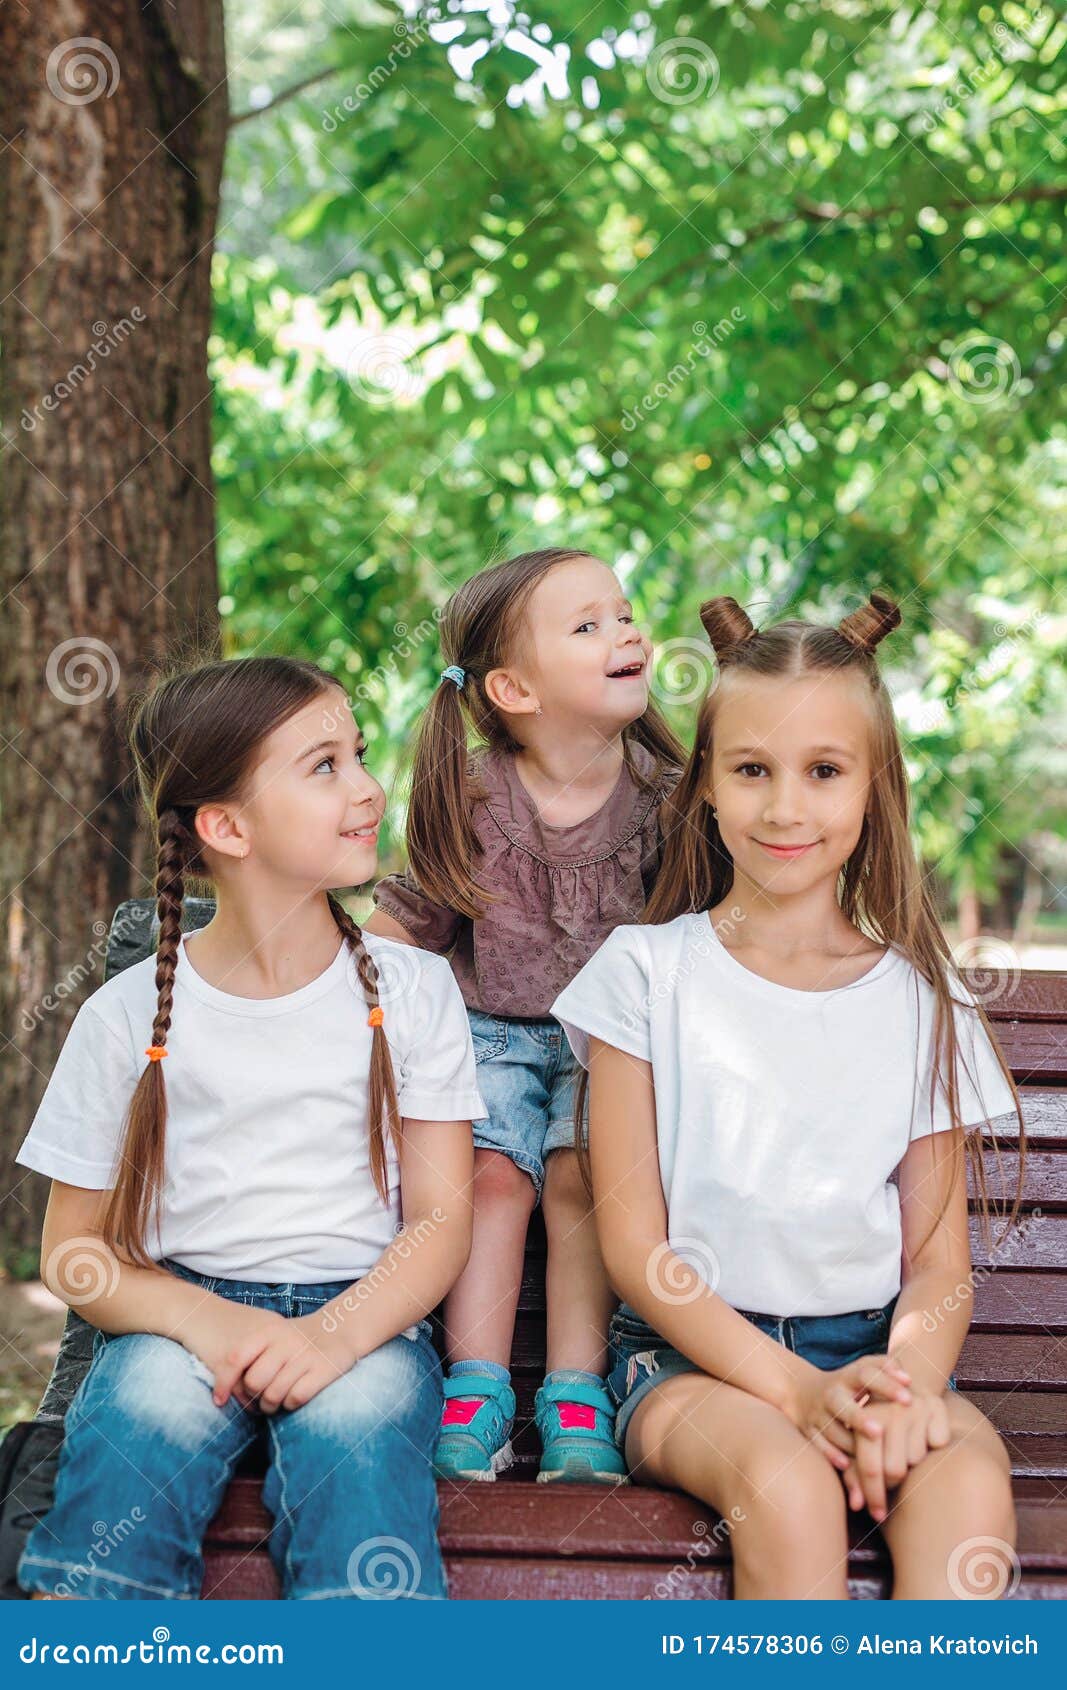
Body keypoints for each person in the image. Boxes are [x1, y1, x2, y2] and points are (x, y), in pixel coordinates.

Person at [552, 592, 1024, 1599]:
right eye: (750, 770)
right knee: (786, 1487)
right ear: (705, 788)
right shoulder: (643, 974)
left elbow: (935, 1262)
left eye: (821, 772)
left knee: (967, 1490)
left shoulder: (921, 999)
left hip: (871, 1356)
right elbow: (636, 1251)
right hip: (689, 1371)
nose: (783, 808)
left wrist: (904, 1393)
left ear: (870, 788)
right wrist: (796, 1392)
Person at [16, 656, 482, 1600]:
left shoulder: (415, 991)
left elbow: (440, 1221)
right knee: (126, 1460)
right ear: (226, 827)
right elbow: (72, 1252)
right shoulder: (123, 1016)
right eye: (323, 766)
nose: (366, 786)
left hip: (365, 1320)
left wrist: (332, 1338)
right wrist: (207, 1320)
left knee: (360, 1468)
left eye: (356, 752)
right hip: (175, 1324)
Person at [366, 547, 685, 1482]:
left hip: (614, 1050)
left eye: (622, 613)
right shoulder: (472, 793)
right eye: (586, 626)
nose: (624, 631)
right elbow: (407, 925)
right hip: (488, 1033)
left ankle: (576, 1397)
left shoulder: (669, 797)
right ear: (511, 687)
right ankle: (476, 1391)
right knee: (491, 1179)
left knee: (584, 1174)